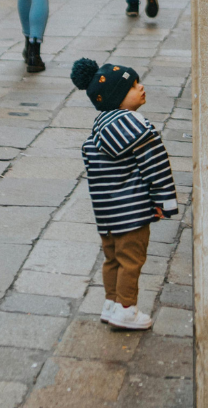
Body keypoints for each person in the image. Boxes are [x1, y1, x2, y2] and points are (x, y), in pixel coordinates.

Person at [71, 57, 177, 331]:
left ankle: (111, 303)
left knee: (113, 259)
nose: (141, 88)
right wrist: (164, 203)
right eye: (132, 86)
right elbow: (157, 168)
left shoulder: (96, 135)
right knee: (132, 260)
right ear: (117, 97)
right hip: (132, 213)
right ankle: (127, 309)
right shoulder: (141, 131)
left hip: (107, 216)